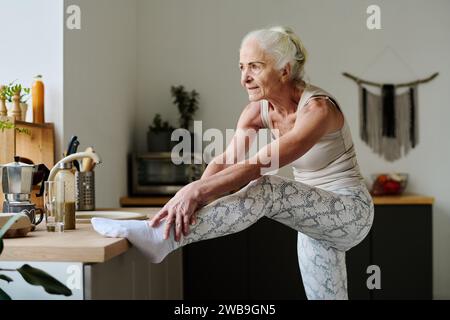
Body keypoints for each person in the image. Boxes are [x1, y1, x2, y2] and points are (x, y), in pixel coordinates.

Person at [92, 26, 374, 300]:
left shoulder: (318, 110)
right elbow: (226, 161)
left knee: (267, 188)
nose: (245, 78)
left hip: (351, 212)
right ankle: (160, 232)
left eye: (255, 66)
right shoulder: (256, 111)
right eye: (241, 67)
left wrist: (196, 192)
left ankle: (163, 239)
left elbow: (259, 165)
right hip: (313, 220)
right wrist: (187, 200)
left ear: (285, 70)